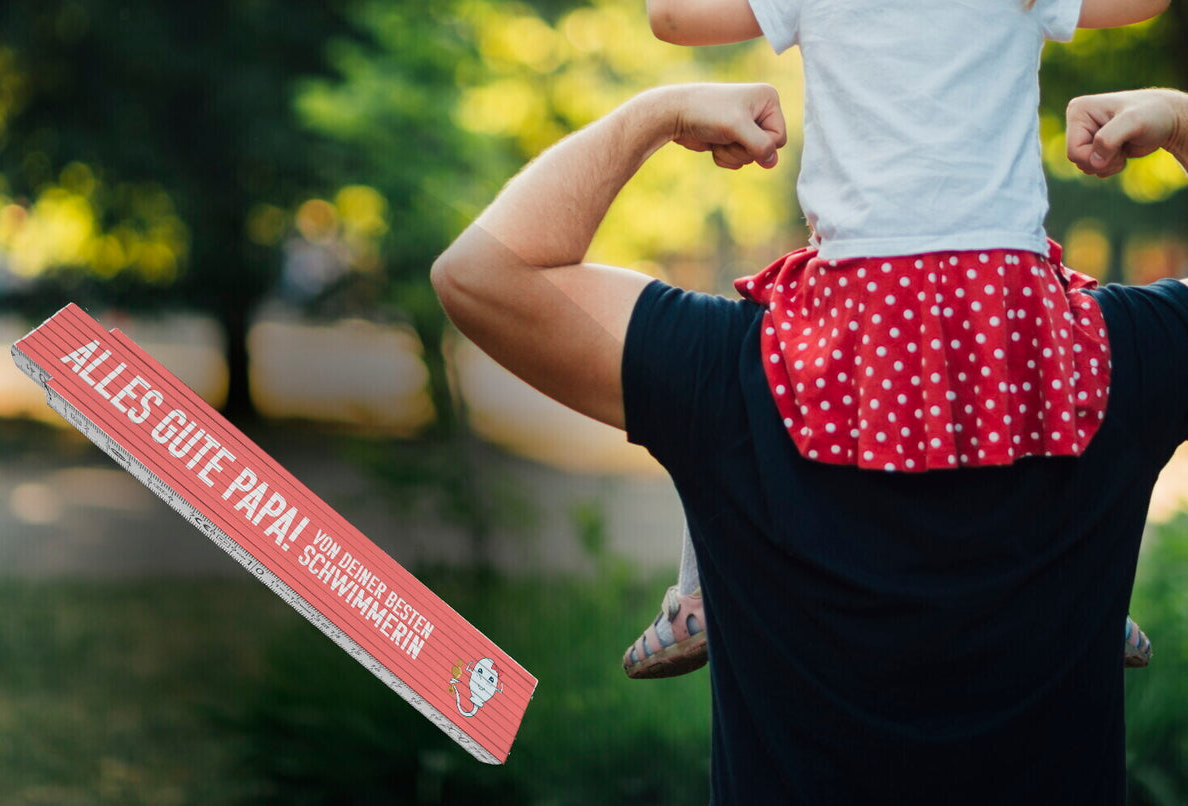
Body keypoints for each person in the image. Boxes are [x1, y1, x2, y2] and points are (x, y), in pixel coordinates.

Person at [431, 81, 1188, 806]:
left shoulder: (735, 367)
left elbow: (482, 273)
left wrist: (654, 116)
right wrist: (1182, 121)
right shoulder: (1111, 357)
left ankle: (690, 598)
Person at [625, 0, 1173, 677]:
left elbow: (670, 12)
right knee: (1080, 381)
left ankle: (697, 595)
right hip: (1003, 288)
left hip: (863, 293)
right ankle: (1096, 597)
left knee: (728, 378)